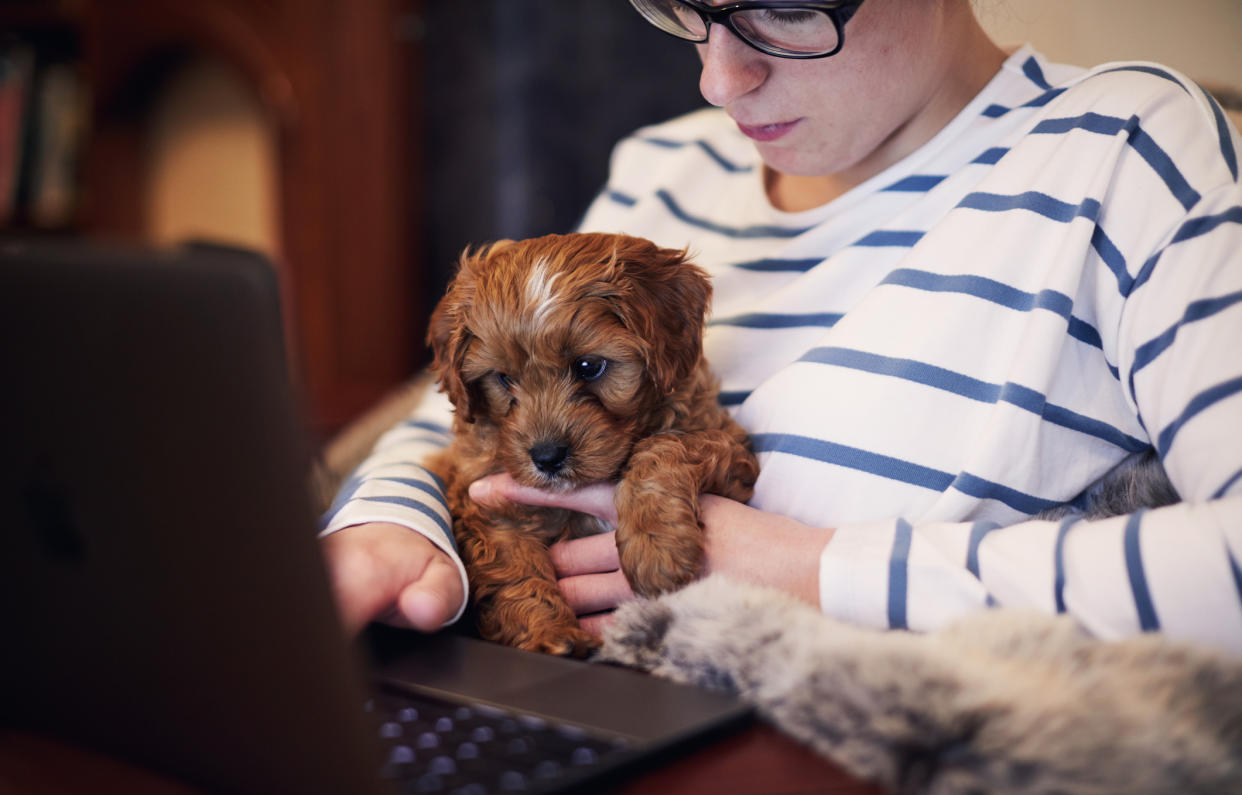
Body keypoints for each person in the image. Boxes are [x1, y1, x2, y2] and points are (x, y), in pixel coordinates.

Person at [321, 0, 1242, 654]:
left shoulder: (1123, 149)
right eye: (685, 7)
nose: (722, 79)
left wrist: (817, 572)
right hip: (559, 713)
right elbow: (458, 427)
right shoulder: (665, 165)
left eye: (788, 6)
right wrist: (393, 530)